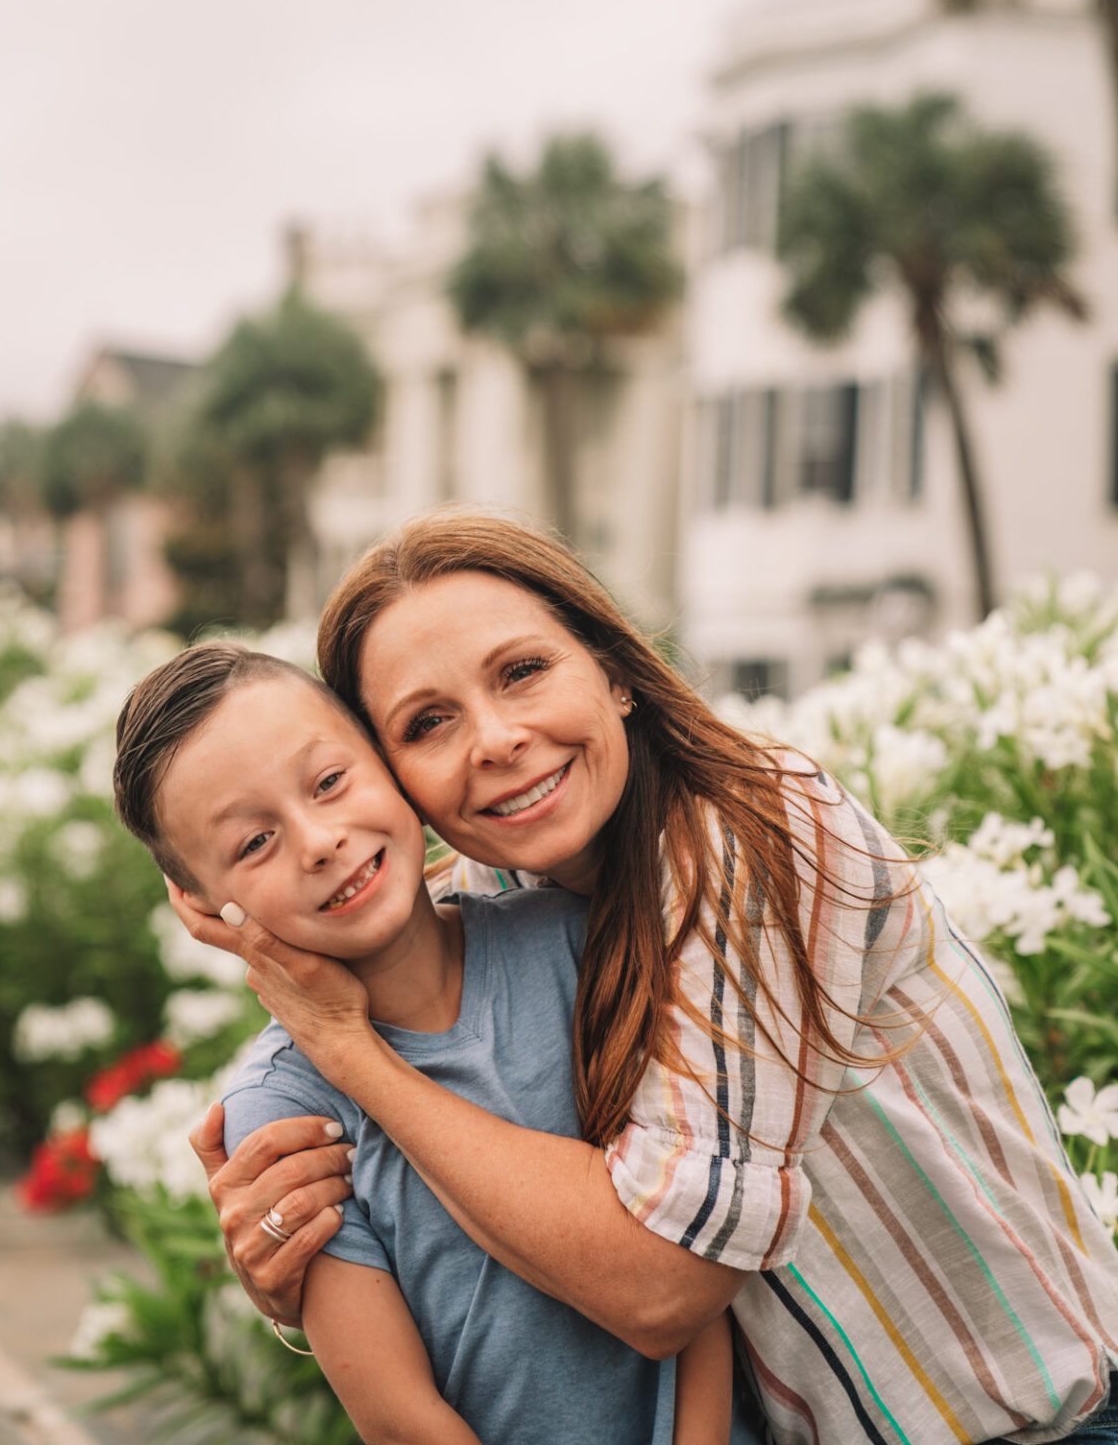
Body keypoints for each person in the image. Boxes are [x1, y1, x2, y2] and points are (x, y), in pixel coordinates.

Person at [173, 508, 1118, 1445]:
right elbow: (489, 1208)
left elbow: (665, 1283)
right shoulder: (505, 889)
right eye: (428, 723)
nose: (494, 740)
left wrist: (348, 1051)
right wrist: (294, 1255)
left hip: (1038, 1431)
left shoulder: (753, 836)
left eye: (522, 672)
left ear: (615, 672)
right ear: (395, 774)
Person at [112, 639, 738, 1445]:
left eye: (330, 782)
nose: (318, 841)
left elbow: (691, 1271)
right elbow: (403, 1421)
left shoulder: (578, 944)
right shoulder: (279, 1114)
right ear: (200, 901)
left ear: (386, 761)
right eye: (252, 843)